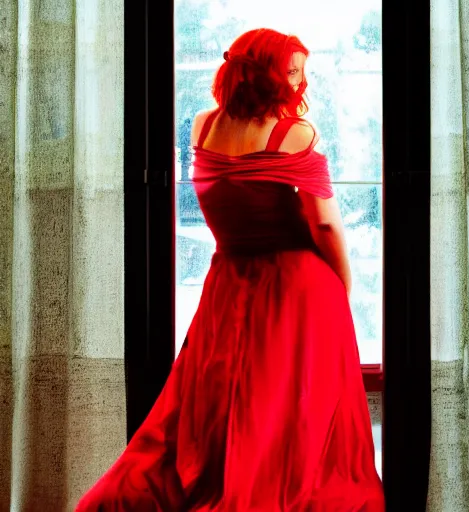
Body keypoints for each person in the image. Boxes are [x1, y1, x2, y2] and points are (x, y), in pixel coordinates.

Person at [76, 28, 384, 511]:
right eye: (293, 72)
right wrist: (342, 286)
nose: (301, 82)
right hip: (295, 289)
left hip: (227, 285)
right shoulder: (292, 133)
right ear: (268, 75)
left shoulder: (202, 125)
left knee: (219, 407)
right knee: (293, 413)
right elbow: (324, 223)